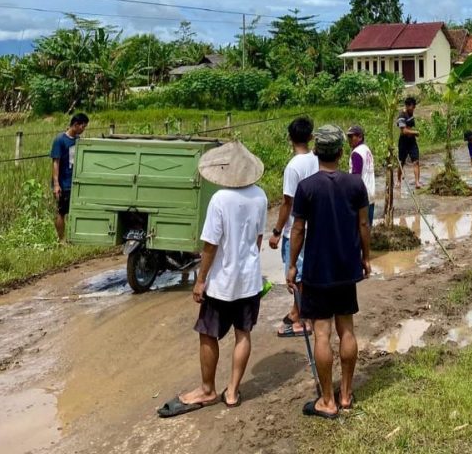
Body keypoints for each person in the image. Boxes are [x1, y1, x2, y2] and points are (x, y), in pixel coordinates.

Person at [157, 141, 268, 417]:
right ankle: (232, 391)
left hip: (222, 282)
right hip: (249, 279)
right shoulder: (260, 197)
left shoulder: (220, 199)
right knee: (243, 333)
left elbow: (210, 246)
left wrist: (200, 280)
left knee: (208, 333)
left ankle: (207, 389)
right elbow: (257, 240)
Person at [287, 125, 371, 419]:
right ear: (340, 151)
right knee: (346, 328)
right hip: (347, 267)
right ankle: (345, 394)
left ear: (317, 151)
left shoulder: (307, 187)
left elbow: (298, 229)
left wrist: (292, 265)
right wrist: (366, 257)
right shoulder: (355, 185)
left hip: (317, 271)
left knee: (321, 333)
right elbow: (363, 225)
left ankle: (327, 400)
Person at [268, 117, 318, 338]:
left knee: (296, 274)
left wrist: (277, 232)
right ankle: (298, 311)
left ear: (290, 138)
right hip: (315, 226)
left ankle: (302, 319)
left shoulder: (293, 167)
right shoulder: (317, 159)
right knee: (307, 272)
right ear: (310, 137)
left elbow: (287, 203)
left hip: (296, 228)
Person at [50, 113, 89, 241]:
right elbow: (56, 162)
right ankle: (61, 239)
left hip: (76, 181)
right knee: (61, 211)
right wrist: (56, 184)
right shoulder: (60, 140)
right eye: (82, 126)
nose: (83, 129)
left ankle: (74, 237)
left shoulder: (79, 141)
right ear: (76, 125)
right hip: (64, 182)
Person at [347, 125, 376, 226]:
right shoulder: (366, 150)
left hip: (361, 197)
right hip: (370, 194)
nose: (349, 139)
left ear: (360, 137)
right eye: (348, 137)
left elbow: (356, 178)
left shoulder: (357, 153)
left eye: (352, 136)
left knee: (360, 229)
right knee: (368, 227)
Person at [397, 97, 422, 189]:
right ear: (407, 106)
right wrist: (415, 132)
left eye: (414, 106)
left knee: (416, 161)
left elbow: (410, 127)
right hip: (403, 141)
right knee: (401, 162)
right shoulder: (401, 116)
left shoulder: (411, 113)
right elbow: (404, 131)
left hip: (412, 142)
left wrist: (413, 133)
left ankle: (417, 182)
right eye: (412, 106)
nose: (414, 108)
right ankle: (398, 181)